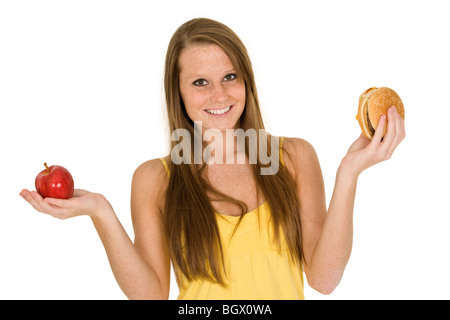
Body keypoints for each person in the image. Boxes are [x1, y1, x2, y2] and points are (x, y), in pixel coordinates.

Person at [19, 18, 405, 299]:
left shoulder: (294, 158)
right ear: (180, 94)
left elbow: (324, 279)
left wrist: (349, 172)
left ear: (246, 81)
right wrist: (100, 211)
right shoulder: (155, 179)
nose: (219, 96)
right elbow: (151, 294)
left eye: (230, 77)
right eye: (200, 82)